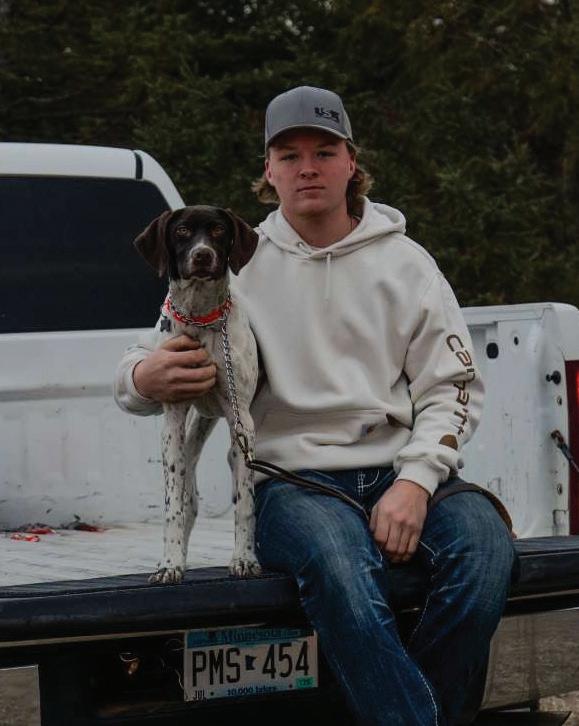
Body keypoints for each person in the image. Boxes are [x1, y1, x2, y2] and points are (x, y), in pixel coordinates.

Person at [114, 86, 515, 725]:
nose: (307, 168)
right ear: (269, 171)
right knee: (343, 572)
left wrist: (416, 482)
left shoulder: (407, 264)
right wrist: (143, 376)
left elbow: (453, 387)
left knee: (487, 554)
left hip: (399, 472)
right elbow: (146, 357)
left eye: (324, 152)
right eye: (289, 155)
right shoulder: (236, 261)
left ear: (351, 163)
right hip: (292, 484)